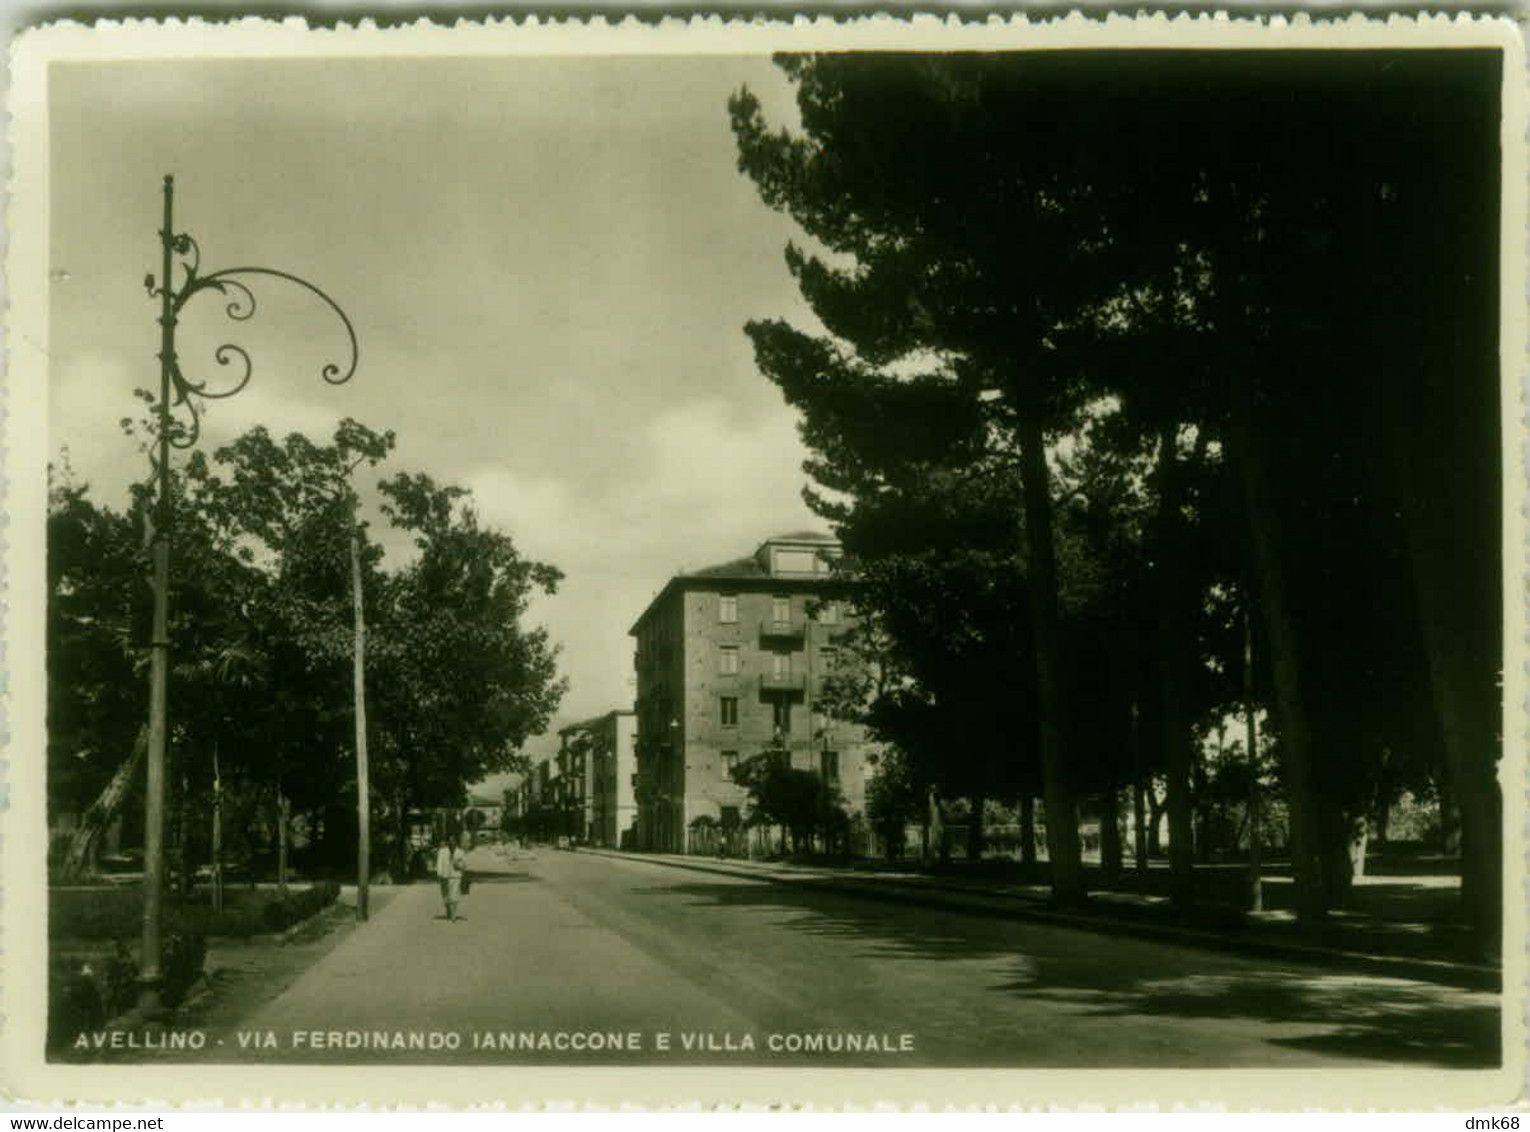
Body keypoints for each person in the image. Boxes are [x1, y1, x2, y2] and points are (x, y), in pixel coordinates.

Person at [434, 832, 466, 922]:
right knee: (445, 895)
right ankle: (448, 909)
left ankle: (453, 914)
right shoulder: (442, 851)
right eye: (450, 840)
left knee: (454, 894)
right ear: (448, 841)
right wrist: (439, 874)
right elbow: (439, 863)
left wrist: (459, 865)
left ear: (456, 841)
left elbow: (464, 865)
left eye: (454, 840)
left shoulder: (460, 852)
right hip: (444, 875)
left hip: (456, 876)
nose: (452, 842)